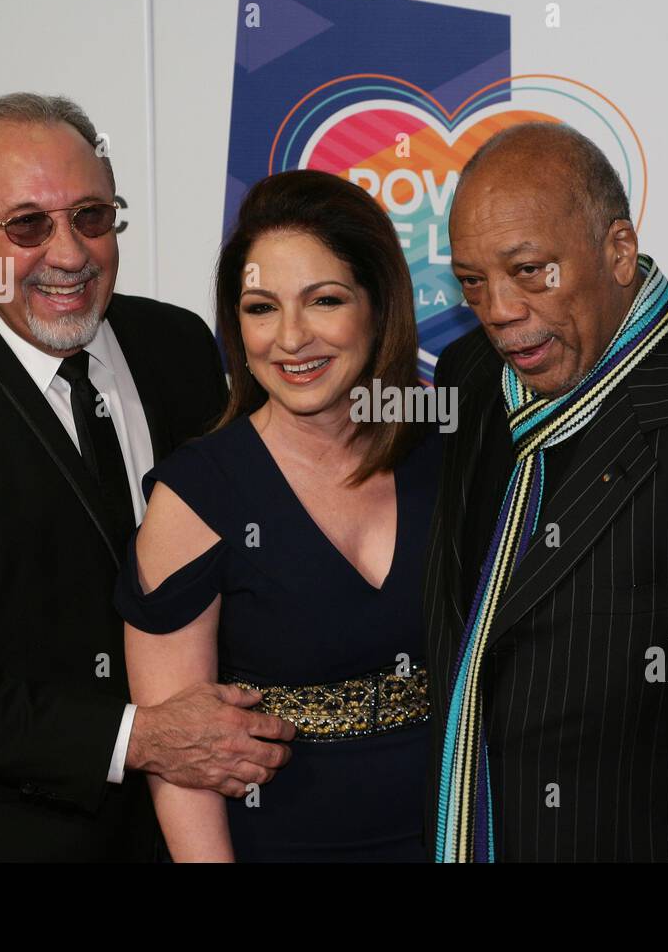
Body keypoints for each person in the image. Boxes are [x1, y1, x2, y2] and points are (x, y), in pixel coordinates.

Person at [0, 93, 293, 861]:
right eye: (29, 224)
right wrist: (139, 737)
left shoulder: (181, 347)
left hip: (210, 827)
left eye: (92, 216)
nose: (70, 254)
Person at [425, 121, 668, 862]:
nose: (497, 310)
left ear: (618, 251)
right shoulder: (466, 376)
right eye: (471, 280)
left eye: (529, 271)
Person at [116, 170, 439, 862]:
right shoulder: (196, 496)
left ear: (377, 307)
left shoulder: (449, 454)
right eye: (261, 308)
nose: (291, 338)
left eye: (323, 300)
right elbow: (183, 763)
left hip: (456, 834)